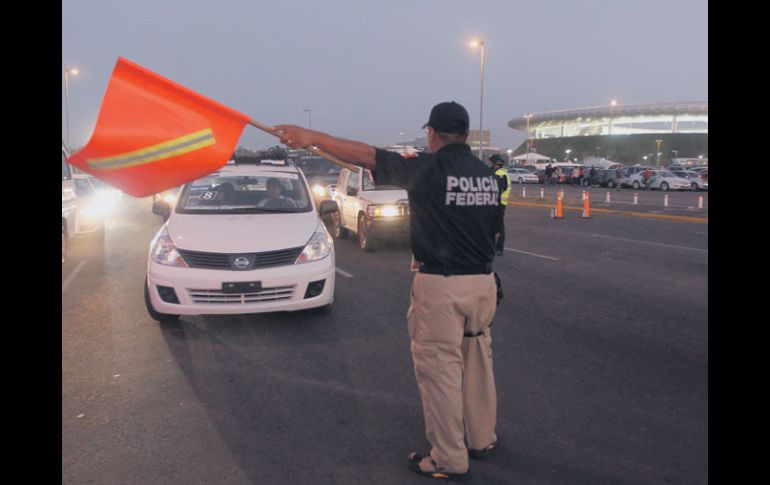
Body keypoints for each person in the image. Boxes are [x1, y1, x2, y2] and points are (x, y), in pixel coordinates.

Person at [276, 101, 499, 481]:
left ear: (432, 133)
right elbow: (494, 231)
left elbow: (366, 154)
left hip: (441, 286)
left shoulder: (428, 168)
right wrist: (314, 146)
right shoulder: (487, 176)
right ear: (464, 133)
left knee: (440, 371)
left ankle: (448, 457)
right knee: (477, 359)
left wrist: (311, 136)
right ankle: (480, 438)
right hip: (483, 283)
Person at [489, 154, 510, 256]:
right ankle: (493, 246)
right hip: (497, 202)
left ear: (496, 163)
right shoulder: (498, 172)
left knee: (499, 226)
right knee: (494, 225)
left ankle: (499, 248)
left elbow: (498, 190)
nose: (491, 164)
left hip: (499, 203)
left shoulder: (500, 174)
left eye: (492, 162)